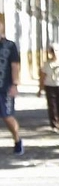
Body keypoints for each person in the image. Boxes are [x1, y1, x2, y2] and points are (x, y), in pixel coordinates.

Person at [0, 22, 22, 154]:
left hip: (5, 87)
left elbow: (15, 66)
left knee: (7, 117)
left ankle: (17, 139)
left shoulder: (10, 46)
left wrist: (15, 84)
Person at [38, 46, 59, 130]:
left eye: (56, 50)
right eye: (52, 51)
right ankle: (54, 124)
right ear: (50, 52)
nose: (55, 53)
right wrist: (40, 89)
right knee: (52, 106)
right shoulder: (47, 64)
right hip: (50, 86)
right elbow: (42, 76)